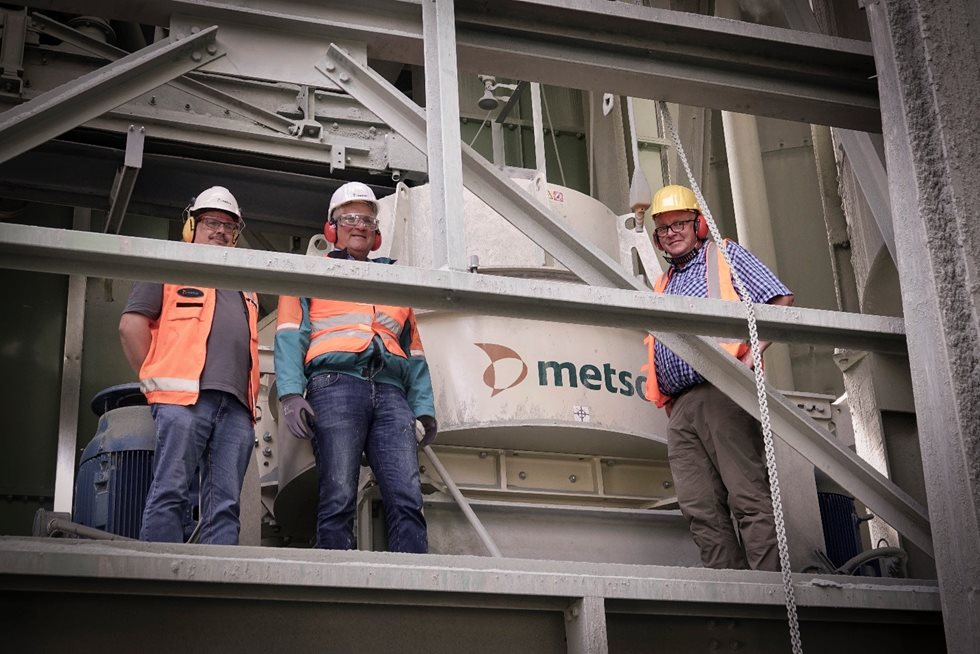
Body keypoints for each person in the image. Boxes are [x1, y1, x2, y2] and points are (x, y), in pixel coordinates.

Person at [275, 181, 437, 553]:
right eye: (349, 218)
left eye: (366, 219)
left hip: (392, 394)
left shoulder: (396, 279)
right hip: (335, 386)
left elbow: (414, 351)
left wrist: (424, 407)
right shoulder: (308, 272)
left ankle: (413, 587)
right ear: (332, 228)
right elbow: (289, 335)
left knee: (407, 497)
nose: (359, 225)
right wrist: (289, 393)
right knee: (338, 493)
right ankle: (336, 583)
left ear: (376, 232)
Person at [643, 184, 794, 571]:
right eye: (663, 228)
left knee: (747, 496)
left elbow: (780, 302)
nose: (671, 232)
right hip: (681, 408)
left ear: (698, 225)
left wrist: (748, 360)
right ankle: (733, 592)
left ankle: (770, 590)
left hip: (723, 390)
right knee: (699, 508)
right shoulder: (662, 283)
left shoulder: (724, 256)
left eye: (679, 223)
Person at [119, 185, 259, 545]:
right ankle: (158, 589)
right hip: (182, 404)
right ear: (191, 226)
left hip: (237, 409)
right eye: (212, 221)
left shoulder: (246, 284)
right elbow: (130, 325)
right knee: (170, 493)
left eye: (229, 226)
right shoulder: (170, 264)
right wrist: (155, 383)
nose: (221, 231)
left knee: (225, 506)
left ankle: (214, 593)